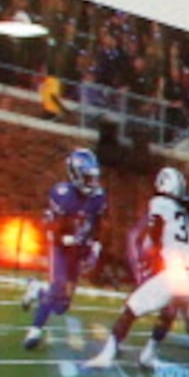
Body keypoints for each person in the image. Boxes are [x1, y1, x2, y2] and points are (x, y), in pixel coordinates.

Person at [85, 169, 189, 370]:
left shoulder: (160, 204)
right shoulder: (187, 215)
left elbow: (154, 235)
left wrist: (148, 258)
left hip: (175, 274)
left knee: (130, 309)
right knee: (183, 321)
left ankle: (106, 356)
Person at [21, 147, 109, 349]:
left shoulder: (98, 197)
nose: (92, 182)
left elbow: (100, 223)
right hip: (61, 246)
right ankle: (35, 330)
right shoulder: (63, 194)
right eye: (87, 177)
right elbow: (49, 224)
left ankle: (37, 289)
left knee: (61, 306)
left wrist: (95, 246)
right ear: (76, 175)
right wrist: (65, 238)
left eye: (93, 177)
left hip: (79, 249)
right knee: (58, 284)